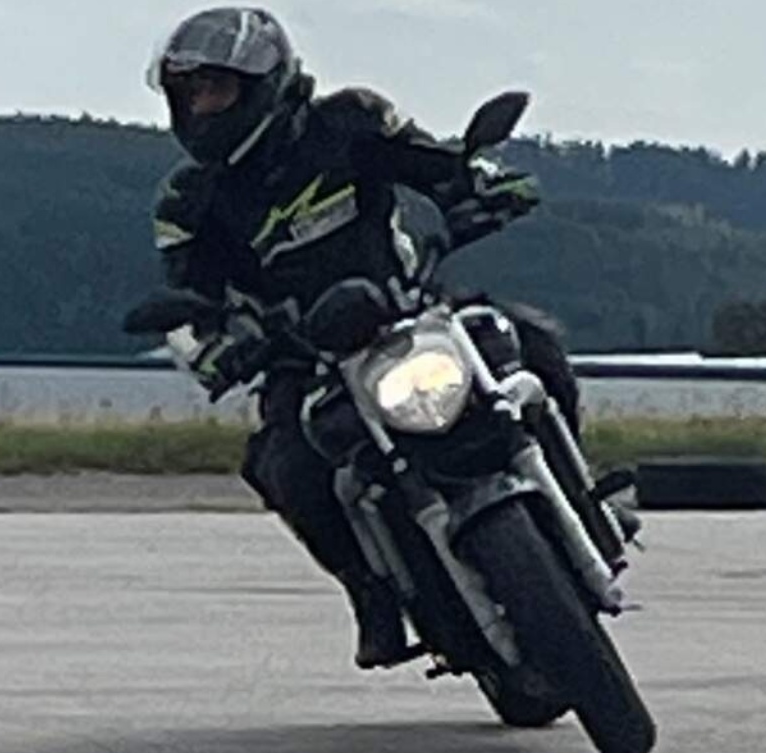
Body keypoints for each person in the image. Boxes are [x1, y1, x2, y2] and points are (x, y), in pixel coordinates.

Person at [143, 6, 579, 668]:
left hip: (410, 312)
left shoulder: (351, 121)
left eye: (215, 90)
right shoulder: (188, 202)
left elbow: (434, 165)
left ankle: (584, 490)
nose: (202, 107)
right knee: (285, 466)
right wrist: (216, 348)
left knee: (529, 341)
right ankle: (370, 592)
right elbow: (191, 302)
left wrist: (481, 186)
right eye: (191, 94)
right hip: (303, 357)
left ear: (264, 83)